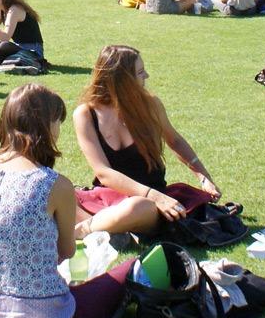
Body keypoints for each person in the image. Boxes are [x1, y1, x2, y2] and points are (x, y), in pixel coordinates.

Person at [0, 83, 135, 318]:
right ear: (45, 126)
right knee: (130, 269)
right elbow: (66, 251)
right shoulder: (53, 184)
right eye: (56, 123)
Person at [71, 45, 220, 238]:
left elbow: (174, 140)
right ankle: (109, 227)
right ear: (122, 80)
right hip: (110, 197)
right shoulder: (85, 114)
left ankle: (88, 229)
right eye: (140, 72)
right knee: (55, 192)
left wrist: (204, 177)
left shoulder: (151, 105)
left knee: (137, 206)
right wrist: (154, 196)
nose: (147, 76)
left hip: (146, 202)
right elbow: (104, 173)